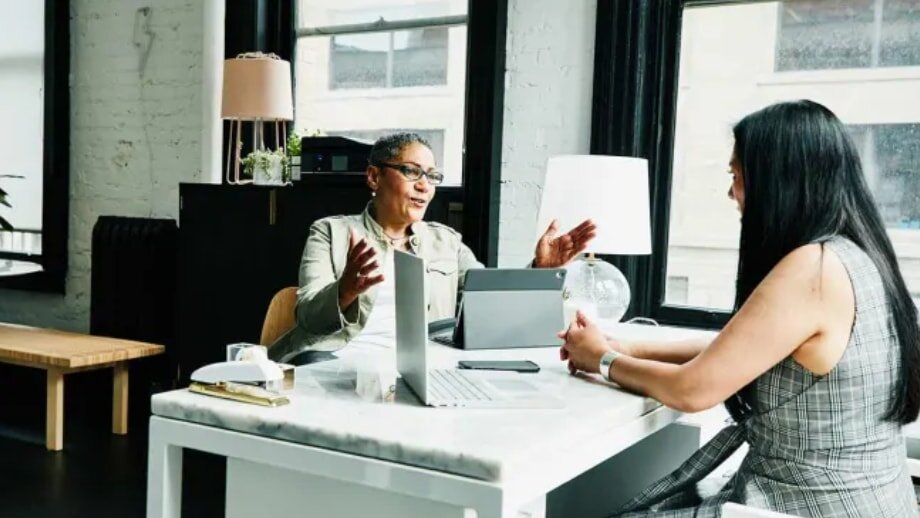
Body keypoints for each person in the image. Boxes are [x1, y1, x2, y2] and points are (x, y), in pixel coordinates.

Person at [559, 101, 919, 517]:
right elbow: (739, 350)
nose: (731, 193)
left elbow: (691, 390)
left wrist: (600, 359)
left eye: (736, 176)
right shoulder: (860, 256)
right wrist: (625, 347)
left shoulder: (813, 270)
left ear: (778, 179)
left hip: (802, 507)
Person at [271, 132, 596, 363]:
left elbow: (489, 303)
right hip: (334, 360)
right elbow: (309, 318)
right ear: (374, 177)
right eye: (411, 171)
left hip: (421, 369)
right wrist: (345, 291)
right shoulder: (331, 232)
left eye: (432, 175)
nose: (425, 185)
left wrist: (541, 270)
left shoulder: (446, 241)